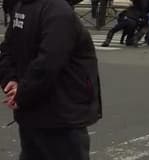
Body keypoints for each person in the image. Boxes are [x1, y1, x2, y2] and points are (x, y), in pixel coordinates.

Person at [0, 0, 102, 160]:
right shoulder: (58, 10)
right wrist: (20, 91)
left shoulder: (23, 5)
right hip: (60, 112)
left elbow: (7, 49)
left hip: (32, 109)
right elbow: (48, 62)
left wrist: (12, 81)